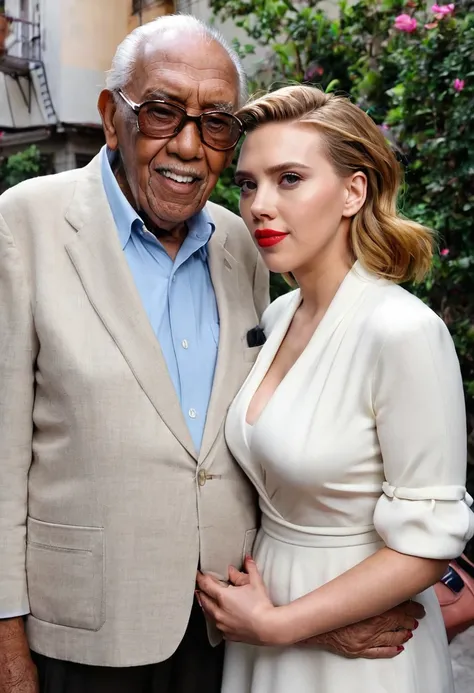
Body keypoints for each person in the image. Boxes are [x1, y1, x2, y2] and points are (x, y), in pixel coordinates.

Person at [0, 16, 424, 693]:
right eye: (163, 112)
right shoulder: (23, 223)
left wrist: (310, 613)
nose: (190, 146)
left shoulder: (241, 244)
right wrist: (5, 636)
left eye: (216, 123)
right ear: (113, 117)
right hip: (82, 630)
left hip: (228, 626)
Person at [196, 84, 474, 693]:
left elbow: (428, 546)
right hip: (261, 619)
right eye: (247, 184)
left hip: (363, 649)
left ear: (354, 190)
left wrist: (279, 625)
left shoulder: (402, 332)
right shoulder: (276, 317)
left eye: (289, 178)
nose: (260, 205)